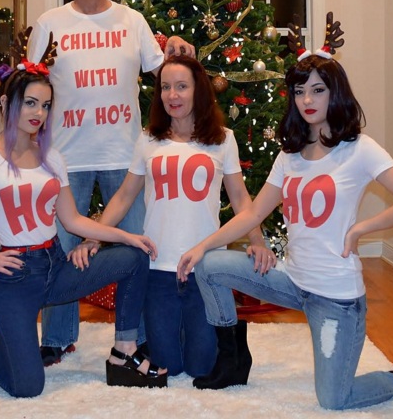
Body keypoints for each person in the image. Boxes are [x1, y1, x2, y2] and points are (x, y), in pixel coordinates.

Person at [177, 38, 393, 409]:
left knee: (334, 399)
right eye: (300, 92)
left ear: (335, 93)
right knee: (209, 264)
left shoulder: (359, 149)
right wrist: (202, 246)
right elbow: (253, 213)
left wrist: (361, 229)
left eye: (318, 90)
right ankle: (232, 360)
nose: (307, 100)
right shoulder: (290, 155)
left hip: (335, 297)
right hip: (292, 281)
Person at [0, 59, 168, 398]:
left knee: (133, 257)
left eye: (45, 105)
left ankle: (124, 351)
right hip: (14, 280)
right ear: (5, 102)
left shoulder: (52, 157)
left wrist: (126, 236)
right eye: (30, 103)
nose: (39, 113)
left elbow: (72, 220)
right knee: (27, 386)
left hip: (55, 267)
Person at [28, 0, 194, 366]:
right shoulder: (49, 23)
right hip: (65, 159)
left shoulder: (132, 20)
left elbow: (164, 73)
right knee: (63, 252)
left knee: (137, 249)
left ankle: (135, 338)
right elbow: (33, 89)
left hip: (126, 157)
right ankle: (57, 339)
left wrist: (176, 46)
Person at [70, 56, 272, 377]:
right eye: (165, 87)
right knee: (169, 366)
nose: (172, 95)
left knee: (201, 368)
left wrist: (258, 241)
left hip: (204, 268)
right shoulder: (148, 139)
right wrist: (93, 237)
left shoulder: (223, 139)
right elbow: (124, 196)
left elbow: (240, 198)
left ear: (198, 90)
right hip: (158, 269)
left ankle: (226, 339)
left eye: (181, 87)